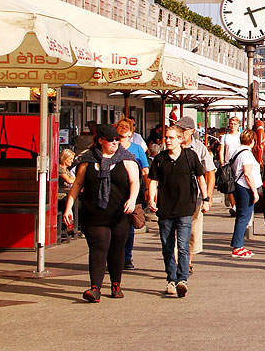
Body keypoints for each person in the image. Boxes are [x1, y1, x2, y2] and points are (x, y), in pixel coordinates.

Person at [63, 124, 140, 302]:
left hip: (120, 214)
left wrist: (132, 199)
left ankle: (115, 284)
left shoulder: (126, 159)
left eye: (117, 139)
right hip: (94, 214)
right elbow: (77, 185)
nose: (115, 142)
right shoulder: (88, 160)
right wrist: (69, 207)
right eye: (111, 140)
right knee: (98, 248)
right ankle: (95, 288)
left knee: (116, 248)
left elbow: (135, 181)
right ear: (100, 141)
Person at [148, 125, 209, 297]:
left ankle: (182, 280)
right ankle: (171, 280)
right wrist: (152, 199)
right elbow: (153, 181)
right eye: (166, 138)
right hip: (165, 210)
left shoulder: (190, 157)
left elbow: (200, 178)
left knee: (182, 247)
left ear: (180, 139)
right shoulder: (160, 159)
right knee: (167, 248)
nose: (167, 140)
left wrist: (205, 199)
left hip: (185, 209)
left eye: (171, 138)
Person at [176, 116, 216, 273]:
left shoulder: (200, 148)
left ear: (191, 131)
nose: (180, 132)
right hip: (174, 197)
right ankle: (177, 264)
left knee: (192, 231)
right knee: (174, 232)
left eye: (183, 130)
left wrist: (209, 197)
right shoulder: (172, 145)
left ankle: (187, 262)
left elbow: (210, 173)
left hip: (195, 197)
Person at [117, 119, 149, 270]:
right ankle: (114, 257)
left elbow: (145, 170)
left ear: (131, 132)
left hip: (132, 192)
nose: (123, 129)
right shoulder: (112, 147)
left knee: (129, 226)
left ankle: (127, 257)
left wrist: (148, 190)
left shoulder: (137, 149)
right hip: (114, 192)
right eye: (120, 126)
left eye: (126, 127)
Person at [228, 128, 260, 258]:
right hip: (245, 187)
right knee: (244, 217)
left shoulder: (237, 151)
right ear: (252, 141)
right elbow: (247, 173)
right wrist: (255, 191)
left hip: (238, 186)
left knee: (241, 216)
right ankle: (238, 246)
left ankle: (238, 244)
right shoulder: (246, 154)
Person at [220, 117, 243, 217]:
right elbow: (221, 150)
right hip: (227, 163)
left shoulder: (240, 136)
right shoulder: (225, 137)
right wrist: (222, 163)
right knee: (229, 185)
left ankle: (238, 204)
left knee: (239, 185)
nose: (233, 125)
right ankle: (234, 206)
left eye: (235, 124)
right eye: (231, 123)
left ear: (238, 125)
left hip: (238, 163)